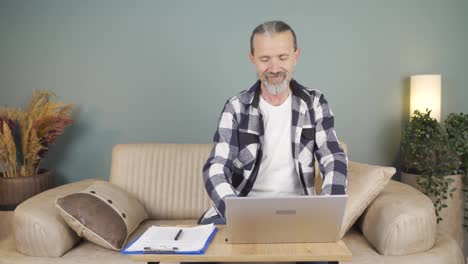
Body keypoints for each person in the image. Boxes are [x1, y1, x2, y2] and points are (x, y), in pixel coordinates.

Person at [199, 20, 348, 264]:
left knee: (323, 260)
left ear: (295, 56)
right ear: (253, 59)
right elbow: (215, 167)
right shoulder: (236, 107)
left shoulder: (315, 103)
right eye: (265, 58)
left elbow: (334, 157)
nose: (275, 67)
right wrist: (235, 211)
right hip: (245, 211)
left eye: (282, 57)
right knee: (195, 258)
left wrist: (327, 212)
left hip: (301, 214)